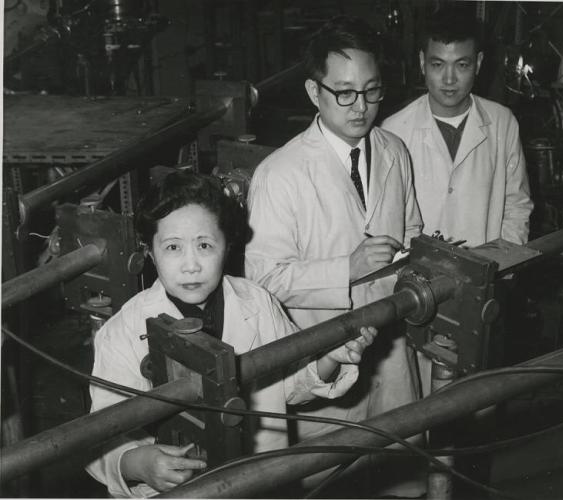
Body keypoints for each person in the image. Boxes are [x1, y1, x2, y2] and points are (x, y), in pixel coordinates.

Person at [85, 171, 377, 498]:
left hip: (259, 481)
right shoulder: (123, 330)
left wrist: (327, 359)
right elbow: (100, 436)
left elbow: (292, 386)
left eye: (205, 245)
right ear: (151, 253)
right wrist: (139, 463)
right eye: (173, 247)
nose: (191, 264)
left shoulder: (257, 302)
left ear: (227, 247)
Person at [245, 15, 424, 496]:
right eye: (344, 92)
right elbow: (263, 282)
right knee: (329, 484)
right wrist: (347, 269)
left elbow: (412, 234)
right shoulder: (279, 174)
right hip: (319, 370)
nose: (360, 106)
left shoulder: (395, 150)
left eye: (371, 91)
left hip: (390, 357)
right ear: (312, 91)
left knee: (399, 481)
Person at [382, 8, 533, 248]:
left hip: (486, 272)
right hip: (418, 276)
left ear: (479, 63)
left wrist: (501, 266)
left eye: (462, 65)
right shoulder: (393, 131)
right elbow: (387, 220)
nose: (449, 79)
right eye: (438, 64)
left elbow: (516, 205)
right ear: (423, 63)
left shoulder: (503, 123)